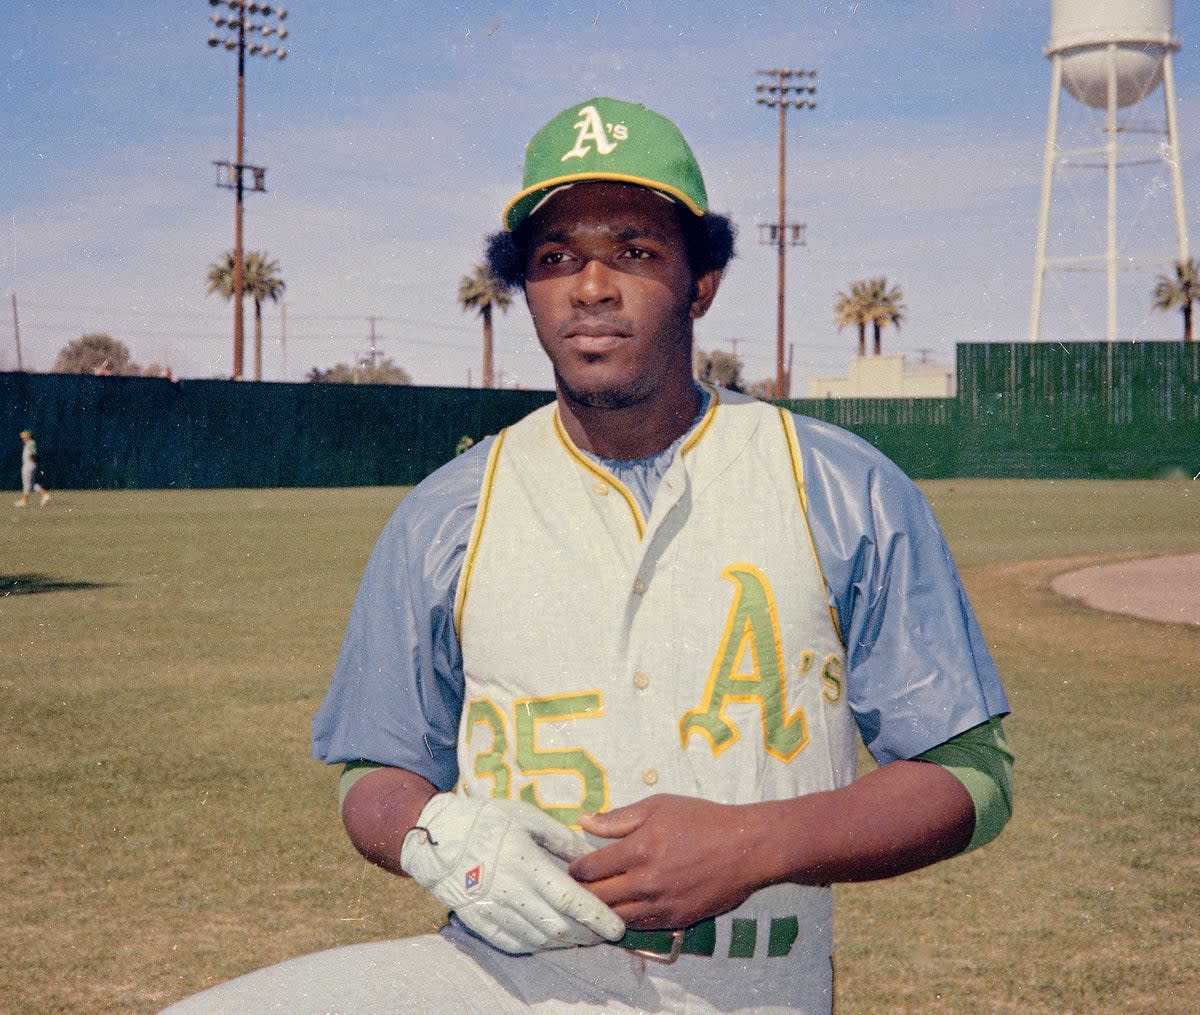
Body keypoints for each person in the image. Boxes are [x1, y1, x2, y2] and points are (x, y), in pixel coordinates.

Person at [160, 97, 1013, 1015]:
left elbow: (972, 777)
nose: (590, 286)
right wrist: (434, 831)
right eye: (556, 257)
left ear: (702, 282)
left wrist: (756, 845)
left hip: (751, 984)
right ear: (525, 286)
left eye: (636, 251)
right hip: (502, 973)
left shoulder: (842, 485)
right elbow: (373, 769)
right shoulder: (448, 510)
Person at [15, 430, 50, 507]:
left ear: (28, 436)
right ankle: (45, 495)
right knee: (32, 484)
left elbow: (33, 454)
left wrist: (32, 458)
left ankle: (24, 501)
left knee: (26, 483)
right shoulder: (29, 443)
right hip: (30, 465)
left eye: (24, 437)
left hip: (28, 465)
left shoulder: (31, 443)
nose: (23, 439)